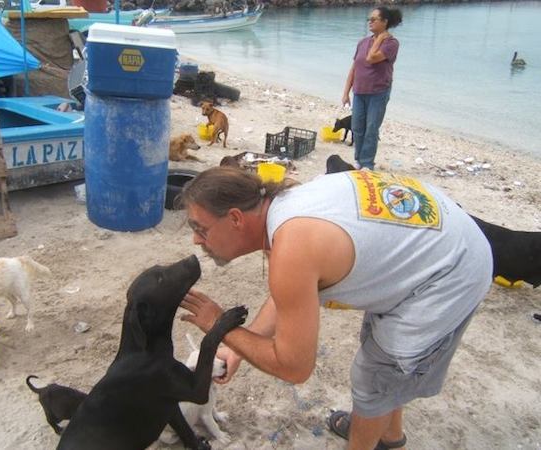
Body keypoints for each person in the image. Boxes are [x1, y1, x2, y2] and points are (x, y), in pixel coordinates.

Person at [179, 166, 493, 450]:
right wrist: (236, 350)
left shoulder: (292, 247)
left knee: (377, 373)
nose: (196, 240)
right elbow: (293, 291)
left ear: (235, 218)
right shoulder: (287, 207)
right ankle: (388, 437)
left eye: (201, 228)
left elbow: (294, 367)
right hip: (438, 238)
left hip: (451, 272)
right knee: (381, 356)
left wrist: (222, 326)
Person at [342, 7, 403, 171]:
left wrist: (381, 37)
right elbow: (354, 67)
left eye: (374, 19)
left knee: (371, 128)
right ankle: (359, 160)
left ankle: (367, 163)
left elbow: (371, 58)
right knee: (357, 127)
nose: (370, 21)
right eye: (369, 19)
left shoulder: (391, 43)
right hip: (359, 91)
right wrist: (346, 92)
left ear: (385, 22)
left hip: (378, 92)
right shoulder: (362, 42)